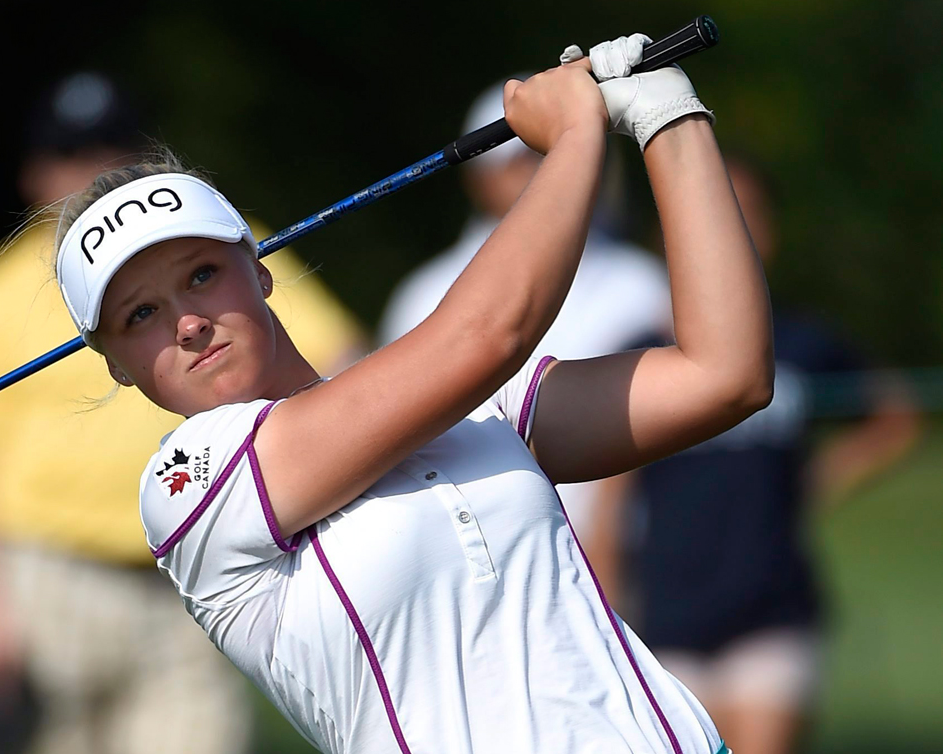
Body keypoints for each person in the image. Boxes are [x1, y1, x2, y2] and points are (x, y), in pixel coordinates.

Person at [47, 34, 771, 754]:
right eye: (141, 314)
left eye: (202, 273)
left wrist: (668, 121)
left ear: (259, 270)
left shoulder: (474, 401)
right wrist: (575, 135)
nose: (190, 322)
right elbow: (486, 334)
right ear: (112, 362)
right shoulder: (189, 487)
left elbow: (726, 376)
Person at [0, 72, 364, 754]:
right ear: (36, 174)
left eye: (115, 148)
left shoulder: (215, 246)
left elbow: (346, 363)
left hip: (195, 575)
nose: (96, 170)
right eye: (74, 153)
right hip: (48, 583)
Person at [588, 154, 922, 754]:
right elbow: (614, 494)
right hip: (670, 612)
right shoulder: (642, 352)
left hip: (771, 603)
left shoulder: (802, 342)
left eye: (749, 215)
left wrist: (821, 477)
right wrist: (607, 610)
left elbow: (893, 417)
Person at [378, 74, 671, 539]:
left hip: (641, 551)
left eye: (551, 153)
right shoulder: (421, 294)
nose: (542, 171)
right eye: (521, 159)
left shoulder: (644, 283)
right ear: (479, 179)